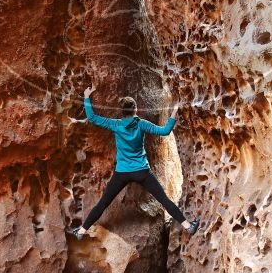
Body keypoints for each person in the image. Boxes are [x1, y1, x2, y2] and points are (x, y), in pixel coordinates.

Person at [66, 86, 199, 240]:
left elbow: (93, 117)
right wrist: (174, 111)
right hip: (142, 172)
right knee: (164, 200)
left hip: (122, 173)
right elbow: (164, 131)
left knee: (103, 203)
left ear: (122, 111)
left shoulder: (116, 124)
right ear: (135, 109)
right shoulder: (141, 124)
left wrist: (87, 97)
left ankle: (81, 231)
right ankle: (188, 226)